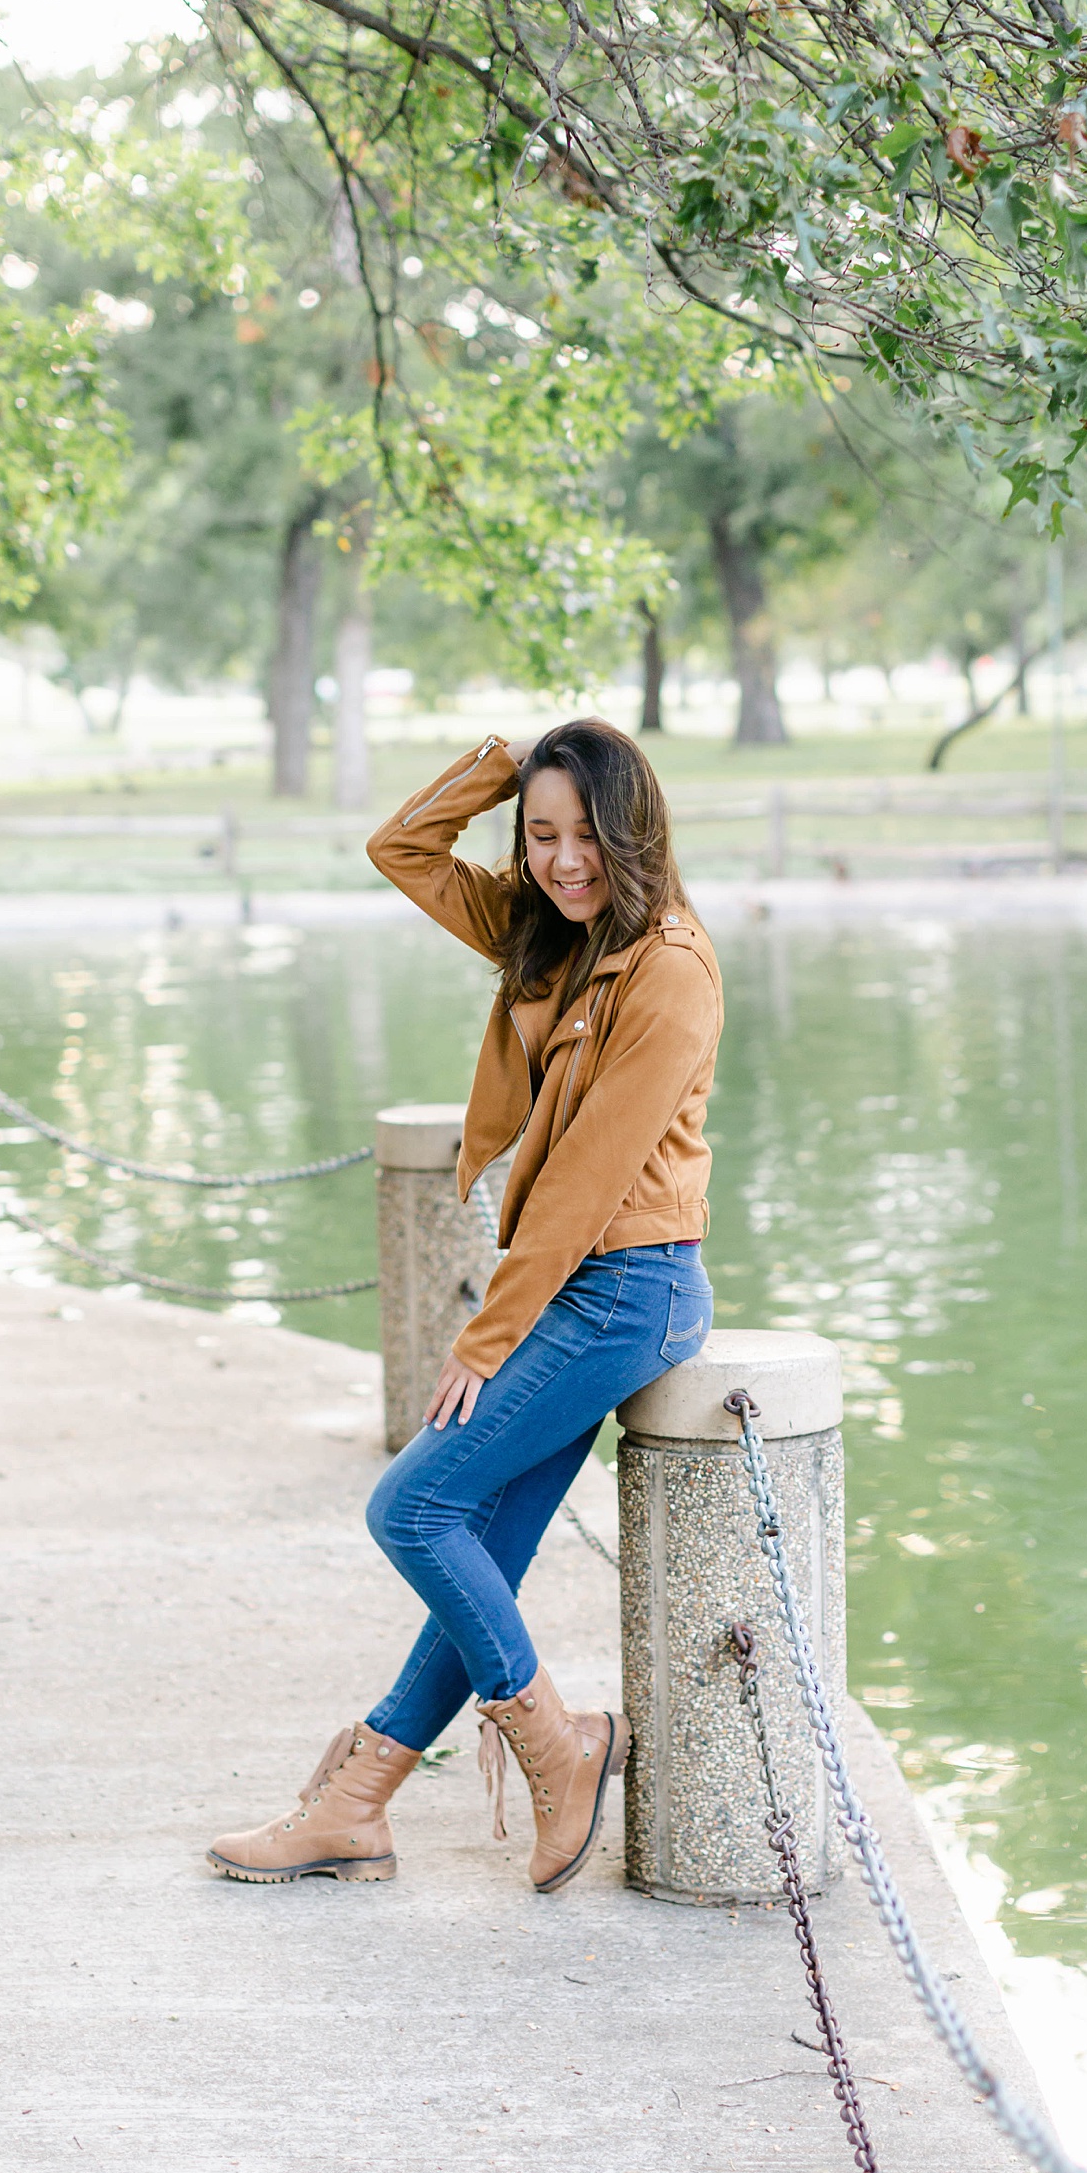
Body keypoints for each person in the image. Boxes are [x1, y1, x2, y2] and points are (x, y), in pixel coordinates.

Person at [208, 719, 721, 1895]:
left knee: (414, 1506)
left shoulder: (672, 968)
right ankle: (355, 1806)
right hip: (579, 1285)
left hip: (627, 1287)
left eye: (588, 832)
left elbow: (592, 1180)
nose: (563, 858)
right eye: (540, 834)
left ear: (634, 829)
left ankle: (559, 1744)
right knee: (476, 1543)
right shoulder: (542, 934)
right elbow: (401, 846)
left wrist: (485, 1337)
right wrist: (504, 757)